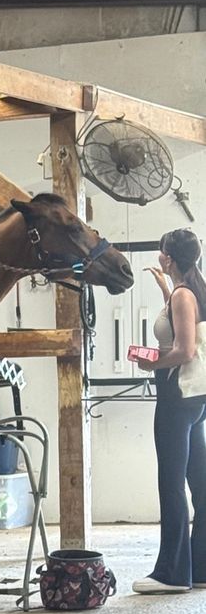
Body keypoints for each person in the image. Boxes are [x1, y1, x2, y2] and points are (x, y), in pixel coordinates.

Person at [131, 228, 206, 593]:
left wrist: (150, 363)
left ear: (167, 257)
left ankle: (172, 574)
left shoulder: (182, 295)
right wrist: (166, 287)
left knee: (171, 483)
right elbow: (185, 320)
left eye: (162, 252)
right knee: (200, 482)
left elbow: (185, 350)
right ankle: (202, 567)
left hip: (176, 396)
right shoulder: (195, 289)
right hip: (198, 397)